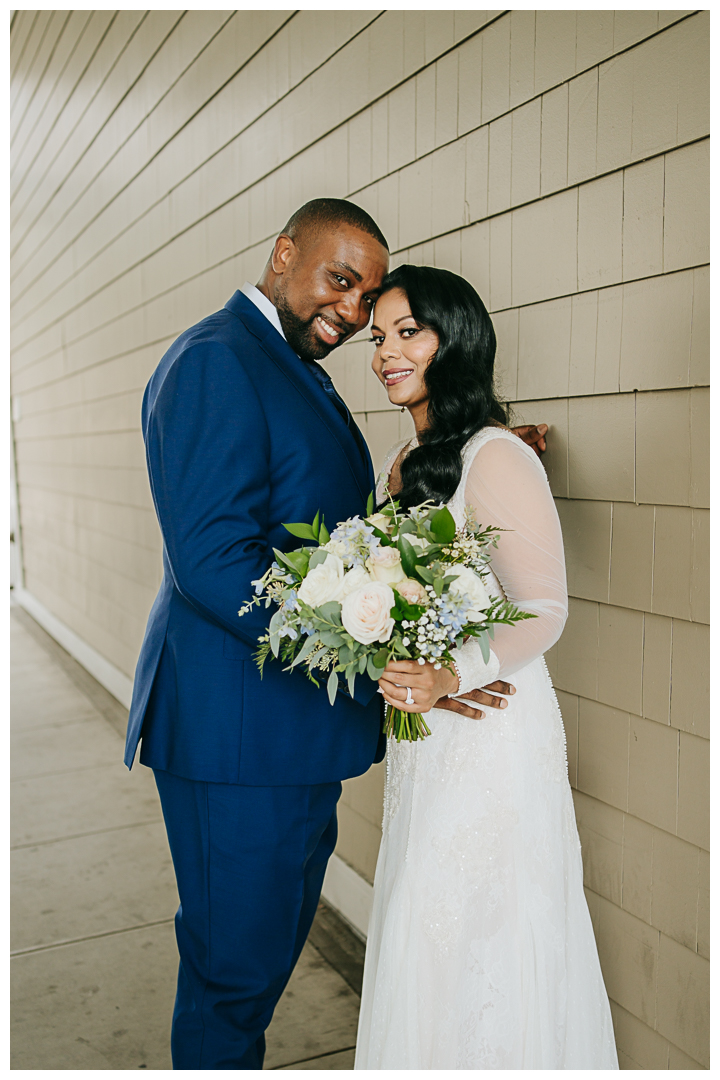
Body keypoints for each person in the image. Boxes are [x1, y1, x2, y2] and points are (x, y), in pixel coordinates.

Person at [124, 199, 543, 1069]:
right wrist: (371, 649)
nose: (353, 314)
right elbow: (213, 561)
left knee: (261, 955)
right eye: (340, 282)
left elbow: (330, 532)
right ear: (284, 253)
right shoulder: (217, 361)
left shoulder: (283, 364)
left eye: (368, 299)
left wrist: (480, 463)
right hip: (236, 735)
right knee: (231, 973)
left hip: (286, 734)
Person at [354, 265, 618, 1069]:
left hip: (491, 730)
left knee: (489, 930)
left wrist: (447, 676)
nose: (386, 354)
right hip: (425, 743)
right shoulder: (407, 460)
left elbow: (546, 608)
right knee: (425, 930)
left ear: (454, 339)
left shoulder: (497, 455)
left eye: (408, 333)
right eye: (379, 338)